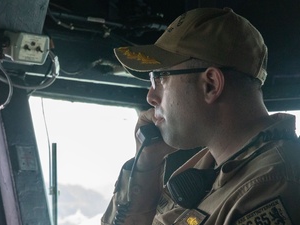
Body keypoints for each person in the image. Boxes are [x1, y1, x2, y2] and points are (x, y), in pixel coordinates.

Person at [101, 7, 300, 225]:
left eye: (160, 78)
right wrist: (145, 167)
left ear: (210, 85)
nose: (151, 96)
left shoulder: (274, 185)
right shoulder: (210, 166)